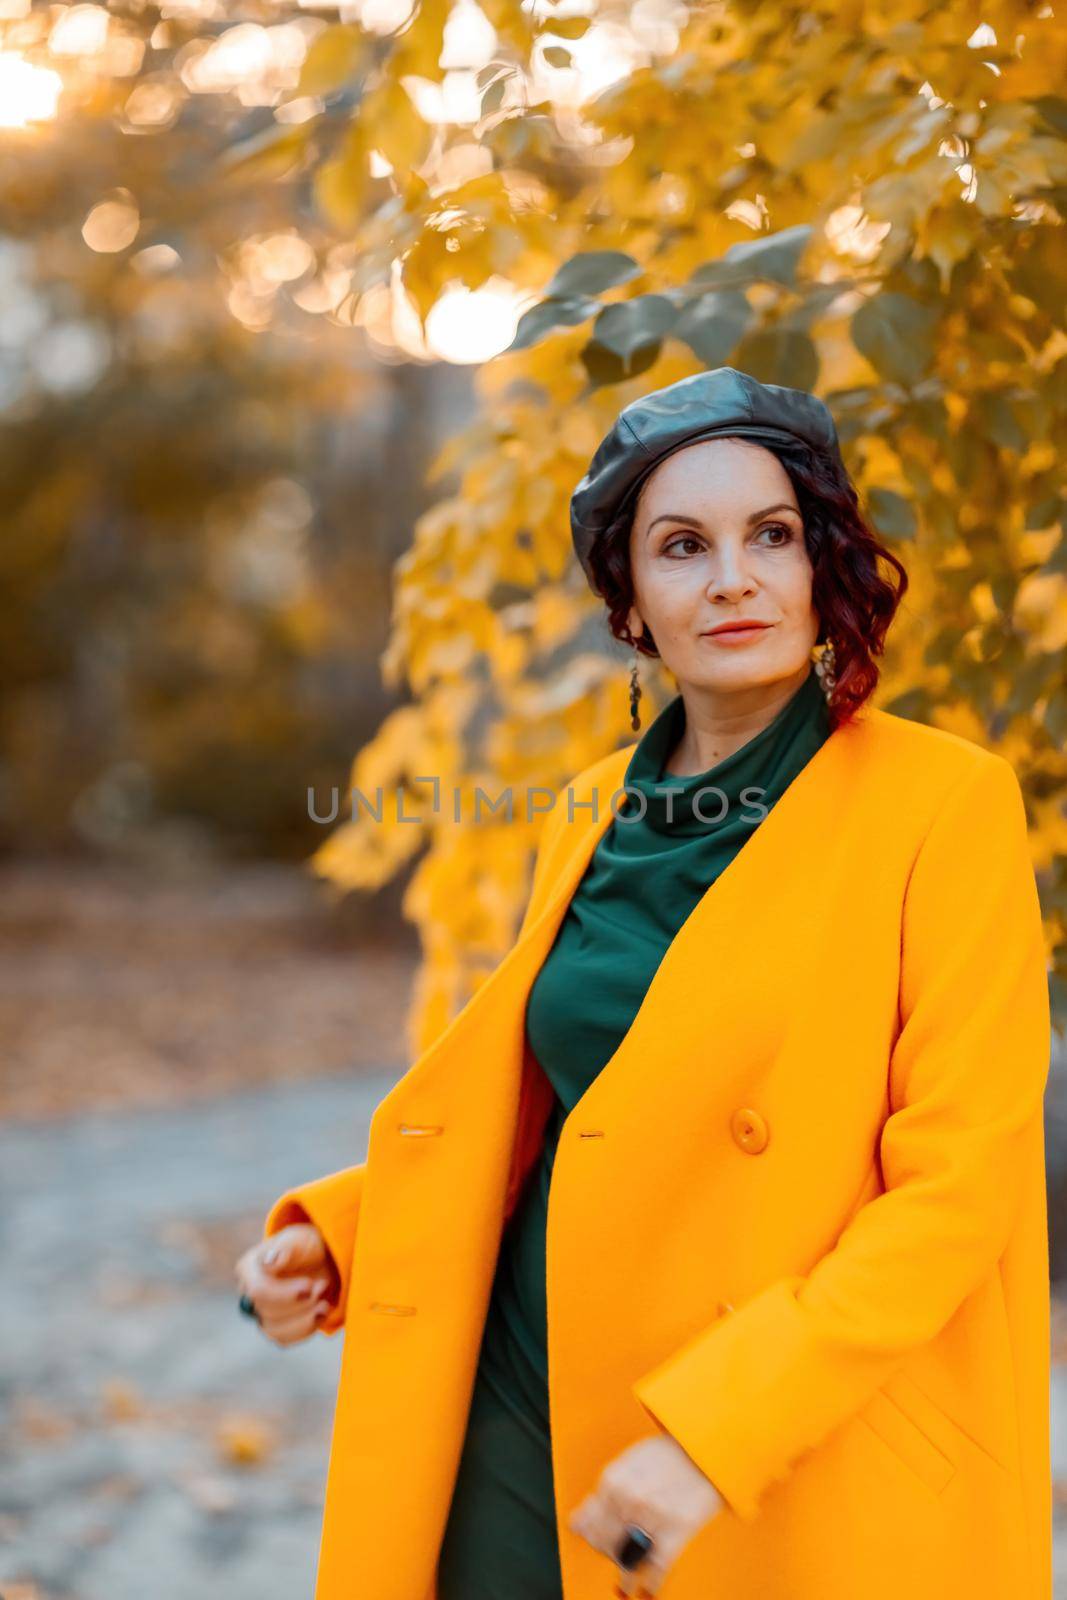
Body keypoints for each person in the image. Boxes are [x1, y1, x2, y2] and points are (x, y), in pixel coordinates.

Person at [234, 367, 1052, 1600]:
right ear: (630, 604)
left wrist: (713, 1432)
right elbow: (567, 1108)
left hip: (779, 1425)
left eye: (770, 535)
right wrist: (347, 1238)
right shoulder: (586, 807)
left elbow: (956, 1191)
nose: (732, 577)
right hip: (530, 1386)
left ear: (820, 563)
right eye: (681, 546)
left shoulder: (943, 804)